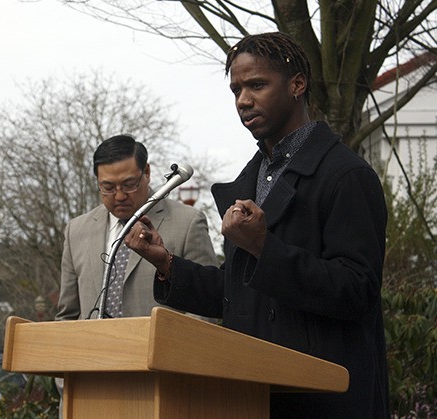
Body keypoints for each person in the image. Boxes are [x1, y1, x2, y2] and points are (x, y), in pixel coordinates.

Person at [125, 32, 390, 418]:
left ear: (297, 84)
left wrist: (265, 247)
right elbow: (239, 292)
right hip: (250, 394)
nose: (243, 100)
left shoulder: (346, 175)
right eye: (236, 90)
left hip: (324, 400)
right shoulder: (252, 178)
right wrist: (165, 262)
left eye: (257, 85)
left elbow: (357, 290)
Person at [56, 134, 217, 321]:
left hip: (161, 348)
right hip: (92, 349)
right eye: (108, 187)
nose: (119, 196)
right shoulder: (76, 231)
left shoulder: (188, 223)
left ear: (146, 172)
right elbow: (67, 315)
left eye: (129, 185)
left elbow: (205, 308)